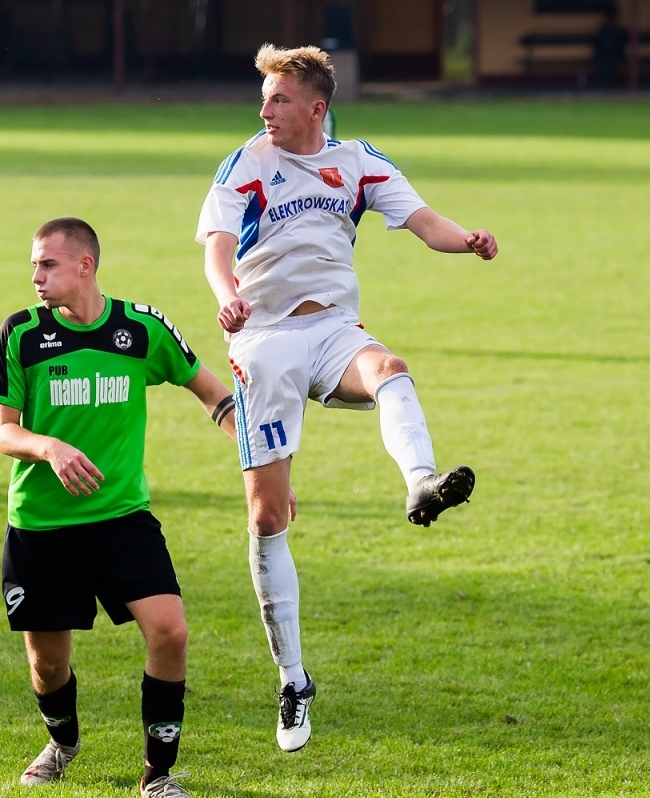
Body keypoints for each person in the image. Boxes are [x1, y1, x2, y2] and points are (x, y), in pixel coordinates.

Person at [197, 44, 496, 751]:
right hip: (263, 342)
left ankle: (421, 483)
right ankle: (294, 679)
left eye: (277, 99)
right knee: (268, 516)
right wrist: (228, 296)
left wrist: (469, 240)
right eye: (264, 99)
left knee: (390, 366)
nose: (263, 111)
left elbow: (424, 221)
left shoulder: (358, 160)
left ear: (315, 108)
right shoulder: (247, 162)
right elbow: (214, 243)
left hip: (331, 329)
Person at [0, 217, 237, 798]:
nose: (36, 277)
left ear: (85, 265)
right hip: (42, 525)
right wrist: (49, 446)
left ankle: (158, 777)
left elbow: (213, 391)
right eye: (33, 266)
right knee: (48, 663)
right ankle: (62, 743)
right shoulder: (21, 333)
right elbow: (4, 433)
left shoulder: (141, 329)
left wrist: (262, 467)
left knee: (170, 631)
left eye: (47, 265)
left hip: (122, 518)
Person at [592, 9, 628, 85]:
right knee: (602, 64)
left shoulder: (619, 31)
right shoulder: (602, 31)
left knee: (613, 62)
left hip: (615, 55)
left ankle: (611, 83)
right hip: (602, 56)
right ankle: (603, 83)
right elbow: (597, 43)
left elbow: (625, 39)